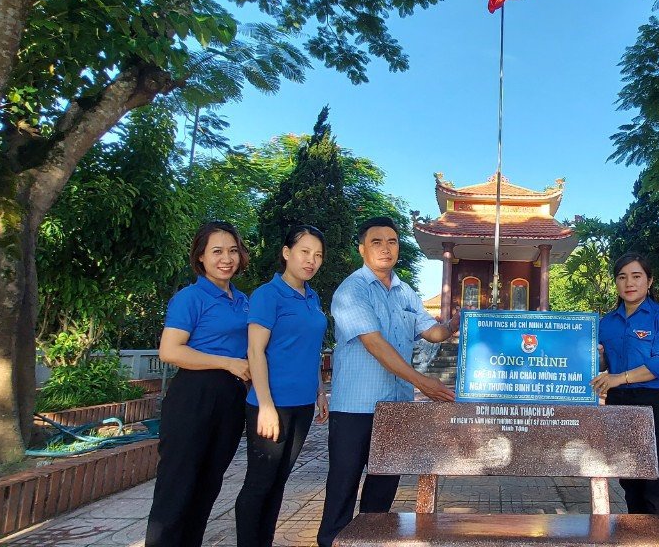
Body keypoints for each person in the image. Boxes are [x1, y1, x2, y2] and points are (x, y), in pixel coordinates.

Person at [315, 217, 459, 547]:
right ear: (362, 249)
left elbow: (432, 332)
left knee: (382, 492)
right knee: (343, 487)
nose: (385, 248)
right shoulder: (351, 290)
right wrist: (423, 382)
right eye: (376, 242)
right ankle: (330, 541)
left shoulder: (405, 292)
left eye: (392, 241)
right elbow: (375, 344)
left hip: (395, 409)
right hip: (355, 409)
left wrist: (455, 323)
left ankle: (369, 542)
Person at [147, 221, 252, 547]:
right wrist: (227, 363)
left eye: (232, 250)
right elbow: (170, 351)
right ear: (201, 257)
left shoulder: (242, 300)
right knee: (177, 487)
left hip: (230, 399)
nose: (226, 258)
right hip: (194, 395)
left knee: (207, 486)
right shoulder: (190, 297)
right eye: (217, 251)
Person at [235, 226, 330, 547]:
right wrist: (265, 405)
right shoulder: (268, 295)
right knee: (259, 483)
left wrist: (320, 391)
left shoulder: (312, 297)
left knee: (278, 482)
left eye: (318, 255)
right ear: (287, 253)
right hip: (271, 404)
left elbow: (311, 350)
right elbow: (255, 351)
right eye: (305, 252)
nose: (311, 260)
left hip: (302, 405)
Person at [591, 253, 659, 516]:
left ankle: (656, 533)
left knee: (653, 477)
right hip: (618, 402)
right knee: (628, 476)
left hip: (652, 403)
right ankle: (635, 531)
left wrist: (620, 377)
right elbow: (597, 363)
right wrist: (596, 358)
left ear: (649, 281)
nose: (629, 283)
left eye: (636, 276)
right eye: (622, 277)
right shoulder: (606, 323)